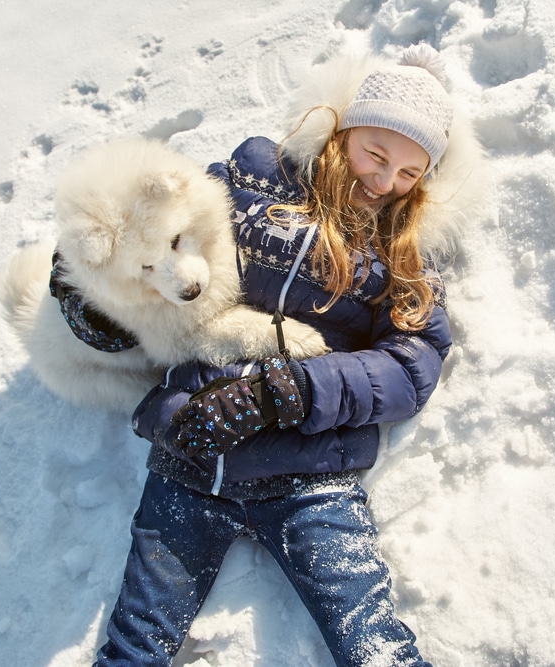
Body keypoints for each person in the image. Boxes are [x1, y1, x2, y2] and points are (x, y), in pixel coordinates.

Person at [92, 44, 481, 667]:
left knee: (372, 647)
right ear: (340, 132)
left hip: (312, 476)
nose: (384, 183)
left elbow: (412, 365)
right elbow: (156, 236)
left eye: (409, 174)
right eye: (376, 155)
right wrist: (97, 297)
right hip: (194, 457)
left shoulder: (403, 254)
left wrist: (290, 392)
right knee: (135, 647)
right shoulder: (249, 181)